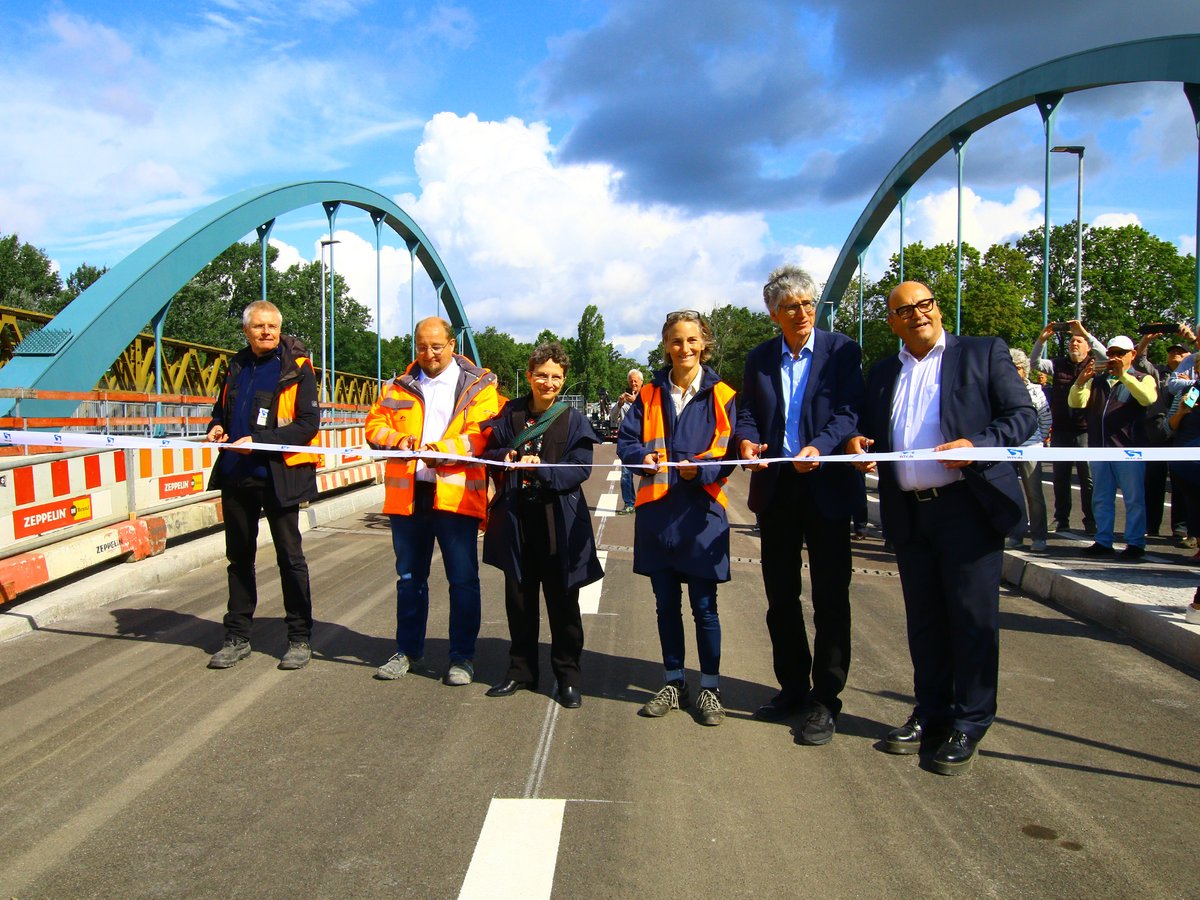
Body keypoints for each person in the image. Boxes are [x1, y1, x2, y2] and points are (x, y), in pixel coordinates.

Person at [846, 282, 1034, 775]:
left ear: (937, 307)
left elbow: (1022, 417)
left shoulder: (982, 353)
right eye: (903, 310)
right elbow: (873, 427)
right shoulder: (884, 371)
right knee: (925, 621)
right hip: (909, 512)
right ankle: (931, 713)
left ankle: (970, 721)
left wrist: (979, 442)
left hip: (966, 507)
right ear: (891, 322)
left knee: (971, 620)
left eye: (924, 305)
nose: (916, 315)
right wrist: (860, 440)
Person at [736, 264, 864, 745]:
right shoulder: (760, 358)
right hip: (778, 490)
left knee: (831, 598)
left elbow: (850, 410)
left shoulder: (842, 351)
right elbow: (748, 413)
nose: (803, 313)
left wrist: (821, 446)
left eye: (809, 304)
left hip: (826, 485)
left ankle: (825, 700)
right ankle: (792, 688)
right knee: (780, 597)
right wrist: (747, 442)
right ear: (774, 313)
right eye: (792, 307)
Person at [365, 317, 499, 685]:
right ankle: (407, 651)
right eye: (422, 347)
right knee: (410, 578)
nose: (429, 354)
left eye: (436, 346)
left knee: (463, 579)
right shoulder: (398, 386)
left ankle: (462, 658)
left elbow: (482, 435)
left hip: (455, 496)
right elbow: (373, 427)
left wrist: (442, 450)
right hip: (410, 496)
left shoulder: (479, 386)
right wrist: (398, 441)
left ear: (452, 345)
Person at [617, 310, 736, 726]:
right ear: (665, 345)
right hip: (657, 513)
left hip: (702, 513)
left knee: (705, 607)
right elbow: (626, 442)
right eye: (675, 341)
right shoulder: (648, 393)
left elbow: (728, 451)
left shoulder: (723, 394)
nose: (684, 348)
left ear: (704, 343)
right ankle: (672, 680)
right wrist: (640, 457)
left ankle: (709, 688)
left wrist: (699, 470)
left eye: (691, 340)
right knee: (665, 605)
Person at [481, 342, 603, 708]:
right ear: (530, 374)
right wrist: (508, 455)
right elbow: (487, 453)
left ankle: (568, 677)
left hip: (558, 522)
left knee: (563, 603)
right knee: (519, 599)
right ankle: (521, 671)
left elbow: (581, 468)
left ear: (563, 380)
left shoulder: (574, 419)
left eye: (555, 377)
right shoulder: (510, 412)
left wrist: (541, 469)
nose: (547, 382)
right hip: (516, 519)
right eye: (541, 375)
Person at [205, 300, 321, 671]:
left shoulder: (297, 368)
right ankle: (237, 636)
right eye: (259, 326)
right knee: (239, 559)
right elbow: (222, 408)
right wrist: (217, 426)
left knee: (290, 558)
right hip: (238, 474)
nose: (266, 332)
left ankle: (299, 639)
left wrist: (260, 440)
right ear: (246, 330)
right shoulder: (236, 364)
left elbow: (308, 424)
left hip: (278, 475)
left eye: (272, 326)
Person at [1068, 335, 1158, 559]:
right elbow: (1076, 402)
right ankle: (1103, 540)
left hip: (1129, 449)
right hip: (1100, 448)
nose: (1115, 358)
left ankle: (1135, 542)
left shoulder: (1143, 378)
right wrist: (1080, 381)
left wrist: (1124, 376)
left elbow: (1148, 398)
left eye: (1120, 353)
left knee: (1133, 498)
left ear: (1132, 355)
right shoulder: (1098, 381)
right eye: (1111, 354)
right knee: (1101, 497)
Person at [1031, 320, 1105, 534]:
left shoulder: (1096, 365)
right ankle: (1061, 519)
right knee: (1060, 478)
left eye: (1079, 340)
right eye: (1072, 340)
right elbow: (1034, 363)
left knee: (1087, 479)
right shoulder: (1058, 364)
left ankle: (1090, 521)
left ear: (1087, 346)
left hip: (1085, 431)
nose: (1074, 343)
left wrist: (1083, 331)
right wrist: (1042, 339)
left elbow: (1106, 354)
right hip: (1062, 430)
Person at [1005, 349, 1051, 552]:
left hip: (1031, 449)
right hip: (1006, 449)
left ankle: (1039, 537)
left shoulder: (1036, 391)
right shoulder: (999, 389)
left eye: (1017, 368)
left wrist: (1037, 440)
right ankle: (1015, 534)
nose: (1013, 372)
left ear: (1025, 370)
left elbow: (1046, 418)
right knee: (1011, 495)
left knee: (1034, 494)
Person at [609, 368, 644, 514]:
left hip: (644, 439)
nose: (633, 383)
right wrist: (619, 404)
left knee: (650, 472)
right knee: (625, 474)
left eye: (636, 381)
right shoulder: (624, 397)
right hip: (628, 442)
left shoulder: (647, 396)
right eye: (631, 381)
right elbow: (612, 417)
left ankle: (649, 502)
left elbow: (651, 414)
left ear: (642, 382)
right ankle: (629, 503)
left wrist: (637, 402)